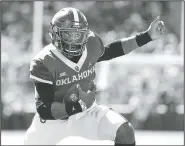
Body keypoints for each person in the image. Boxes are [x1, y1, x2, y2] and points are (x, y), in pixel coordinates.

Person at [24, 7, 165, 145]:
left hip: (86, 112)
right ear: (55, 34)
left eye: (78, 34)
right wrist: (76, 106)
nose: (74, 40)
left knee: (125, 132)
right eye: (69, 34)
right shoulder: (44, 62)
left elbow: (111, 51)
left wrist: (147, 36)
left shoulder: (91, 43)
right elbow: (44, 109)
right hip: (53, 121)